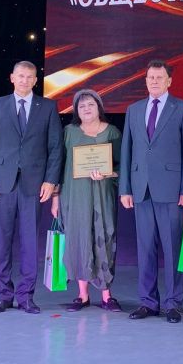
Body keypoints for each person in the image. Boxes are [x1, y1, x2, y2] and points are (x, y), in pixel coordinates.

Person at [0, 61, 64, 314]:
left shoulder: (47, 107)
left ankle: (26, 296)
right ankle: (3, 295)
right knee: (2, 241)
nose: (25, 80)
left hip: (34, 185)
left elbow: (55, 147)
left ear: (36, 80)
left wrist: (51, 181)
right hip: (1, 184)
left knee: (29, 243)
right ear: (12, 78)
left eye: (29, 77)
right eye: (20, 76)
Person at [120, 59, 183, 323]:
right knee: (145, 249)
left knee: (173, 248)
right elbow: (127, 150)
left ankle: (173, 303)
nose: (154, 81)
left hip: (172, 191)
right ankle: (148, 302)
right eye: (150, 77)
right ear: (145, 81)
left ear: (169, 81)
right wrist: (125, 189)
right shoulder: (133, 109)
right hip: (141, 190)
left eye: (159, 77)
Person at [51, 89, 123, 312]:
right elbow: (58, 166)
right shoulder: (69, 132)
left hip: (103, 194)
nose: (86, 109)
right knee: (78, 239)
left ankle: (107, 296)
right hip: (75, 195)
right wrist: (55, 198)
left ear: (99, 107)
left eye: (91, 104)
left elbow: (122, 165)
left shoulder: (112, 132)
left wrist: (109, 173)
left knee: (105, 237)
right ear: (76, 111)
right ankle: (82, 295)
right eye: (81, 106)